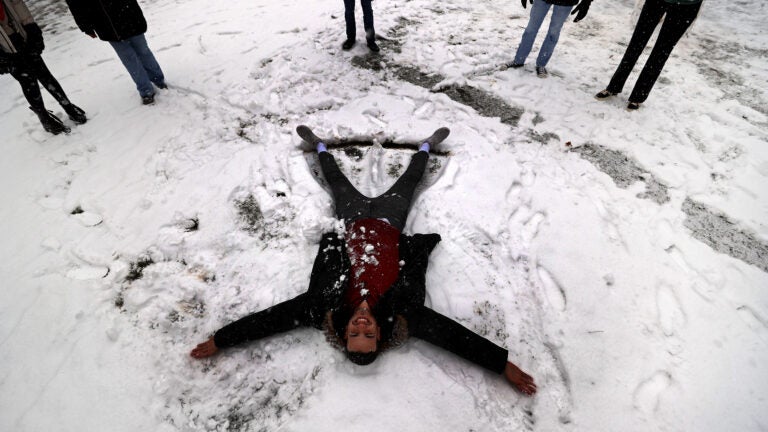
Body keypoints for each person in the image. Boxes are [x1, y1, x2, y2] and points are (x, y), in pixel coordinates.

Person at [190, 126, 537, 396]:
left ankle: (320, 146)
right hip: (390, 222)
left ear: (344, 332)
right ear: (378, 333)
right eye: (368, 332)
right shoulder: (403, 314)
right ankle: (426, 147)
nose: (361, 325)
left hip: (352, 219)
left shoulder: (322, 307)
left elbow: (272, 320)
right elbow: (451, 336)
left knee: (337, 181)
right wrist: (500, 364)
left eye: (354, 332)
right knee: (409, 181)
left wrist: (223, 339)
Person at [595, 0, 702, 110]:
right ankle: (613, 87)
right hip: (656, 2)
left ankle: (638, 96)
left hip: (688, 5)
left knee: (661, 53)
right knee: (636, 44)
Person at [1, 0, 87, 135]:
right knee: (28, 82)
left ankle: (68, 106)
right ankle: (44, 118)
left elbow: (19, 5)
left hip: (21, 35)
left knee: (44, 74)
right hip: (4, 48)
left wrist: (32, 28)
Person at [64, 0, 166, 105]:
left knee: (143, 51)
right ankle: (146, 90)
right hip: (106, 24)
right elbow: (75, 5)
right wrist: (86, 27)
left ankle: (158, 80)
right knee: (129, 59)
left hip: (129, 15)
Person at [508, 0, 592, 78]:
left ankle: (541, 64)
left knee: (553, 33)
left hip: (566, 1)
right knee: (530, 29)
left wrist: (587, 1)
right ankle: (518, 60)